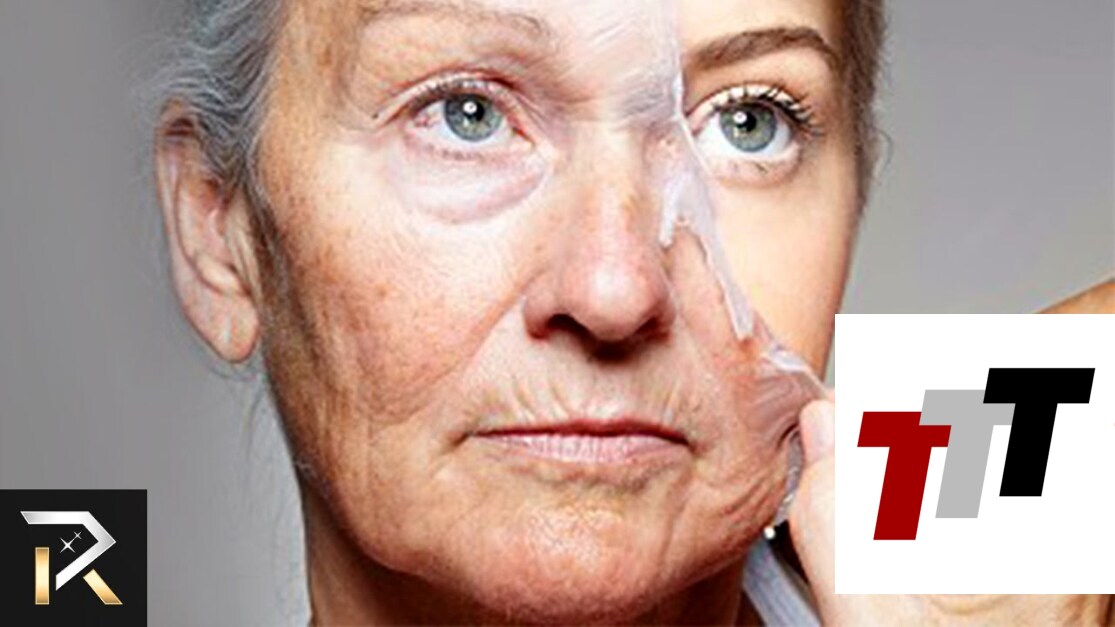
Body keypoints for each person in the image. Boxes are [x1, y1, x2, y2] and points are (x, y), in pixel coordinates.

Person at [153, 0, 1114, 623]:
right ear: (218, 231)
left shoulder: (982, 526)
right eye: (465, 114)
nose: (616, 291)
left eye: (747, 122)